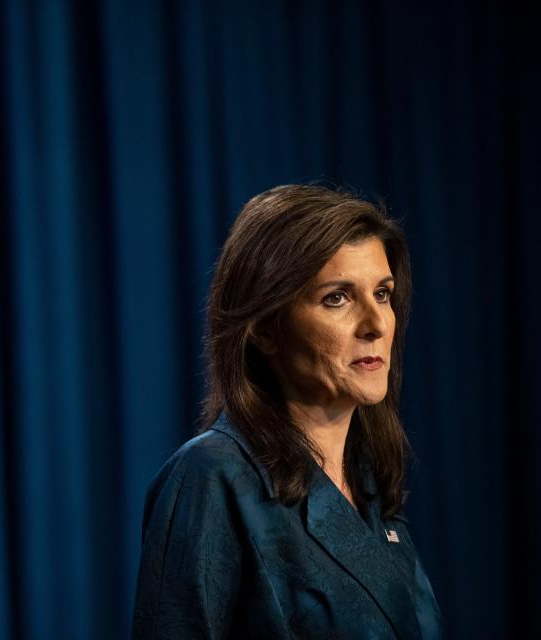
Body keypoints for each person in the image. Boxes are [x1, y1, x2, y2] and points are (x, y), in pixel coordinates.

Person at [131, 185, 443, 639]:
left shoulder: (370, 484)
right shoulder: (211, 476)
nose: (376, 324)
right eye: (337, 297)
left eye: (382, 293)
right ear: (263, 328)